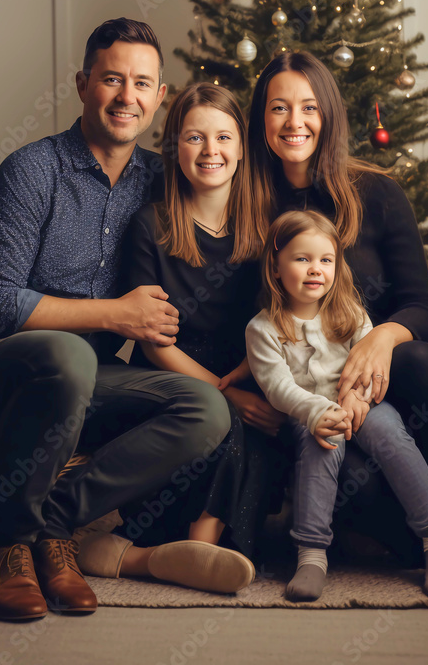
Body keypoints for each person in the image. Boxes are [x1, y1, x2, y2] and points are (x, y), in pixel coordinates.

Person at [0, 18, 248, 622]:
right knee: (72, 352)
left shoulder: (162, 176)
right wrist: (116, 314)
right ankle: (2, 549)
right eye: (111, 79)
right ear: (82, 85)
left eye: (142, 84)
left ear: (160, 96)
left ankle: (45, 528)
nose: (127, 96)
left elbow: (232, 186)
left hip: (85, 387)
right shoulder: (32, 172)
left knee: (204, 409)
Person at [247, 50, 428, 613]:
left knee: (417, 358)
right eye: (278, 108)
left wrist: (380, 338)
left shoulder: (376, 194)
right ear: (260, 119)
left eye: (309, 107)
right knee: (370, 501)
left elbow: (422, 306)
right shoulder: (246, 198)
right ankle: (358, 542)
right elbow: (238, 319)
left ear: (330, 116)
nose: (295, 122)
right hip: (299, 396)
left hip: (382, 385)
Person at [77, 83, 288, 579]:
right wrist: (225, 394)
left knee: (259, 438)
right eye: (195, 138)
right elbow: (153, 341)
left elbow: (285, 319)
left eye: (223, 138)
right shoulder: (152, 224)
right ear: (176, 147)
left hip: (251, 371)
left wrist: (249, 387)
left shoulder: (269, 226)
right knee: (223, 422)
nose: (211, 152)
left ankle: (138, 554)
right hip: (172, 375)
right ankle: (198, 546)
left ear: (242, 147)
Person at [244, 209, 428, 603]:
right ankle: (311, 555)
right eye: (302, 259)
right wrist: (316, 412)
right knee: (321, 445)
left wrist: (357, 397)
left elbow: (370, 365)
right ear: (276, 267)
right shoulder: (262, 329)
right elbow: (276, 386)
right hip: (309, 412)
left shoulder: (349, 313)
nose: (315, 270)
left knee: (391, 434)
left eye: (325, 260)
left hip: (361, 402)